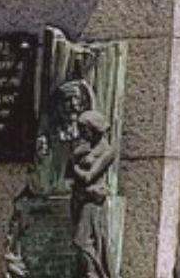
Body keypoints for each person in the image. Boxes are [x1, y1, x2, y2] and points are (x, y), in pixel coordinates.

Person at [70, 110, 116, 278]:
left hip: (92, 201)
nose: (82, 133)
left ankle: (94, 273)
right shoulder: (83, 148)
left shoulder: (107, 151)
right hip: (79, 199)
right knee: (81, 241)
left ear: (94, 128)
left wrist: (74, 165)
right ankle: (87, 272)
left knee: (82, 241)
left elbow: (89, 176)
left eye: (84, 129)